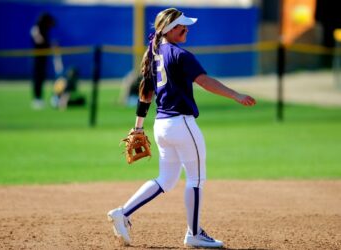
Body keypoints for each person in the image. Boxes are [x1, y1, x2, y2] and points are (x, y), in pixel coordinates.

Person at [108, 8, 256, 248]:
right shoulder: (180, 54)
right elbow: (205, 82)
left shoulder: (153, 54)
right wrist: (235, 95)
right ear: (168, 29)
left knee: (166, 179)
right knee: (196, 178)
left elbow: (145, 94)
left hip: (161, 126)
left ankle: (122, 213)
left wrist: (138, 127)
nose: (186, 29)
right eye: (181, 26)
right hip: (182, 124)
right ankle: (194, 233)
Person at [30, 12, 55, 109]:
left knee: (42, 78)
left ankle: (39, 98)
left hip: (44, 57)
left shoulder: (45, 29)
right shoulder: (36, 28)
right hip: (38, 58)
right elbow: (38, 40)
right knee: (38, 78)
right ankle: (37, 99)